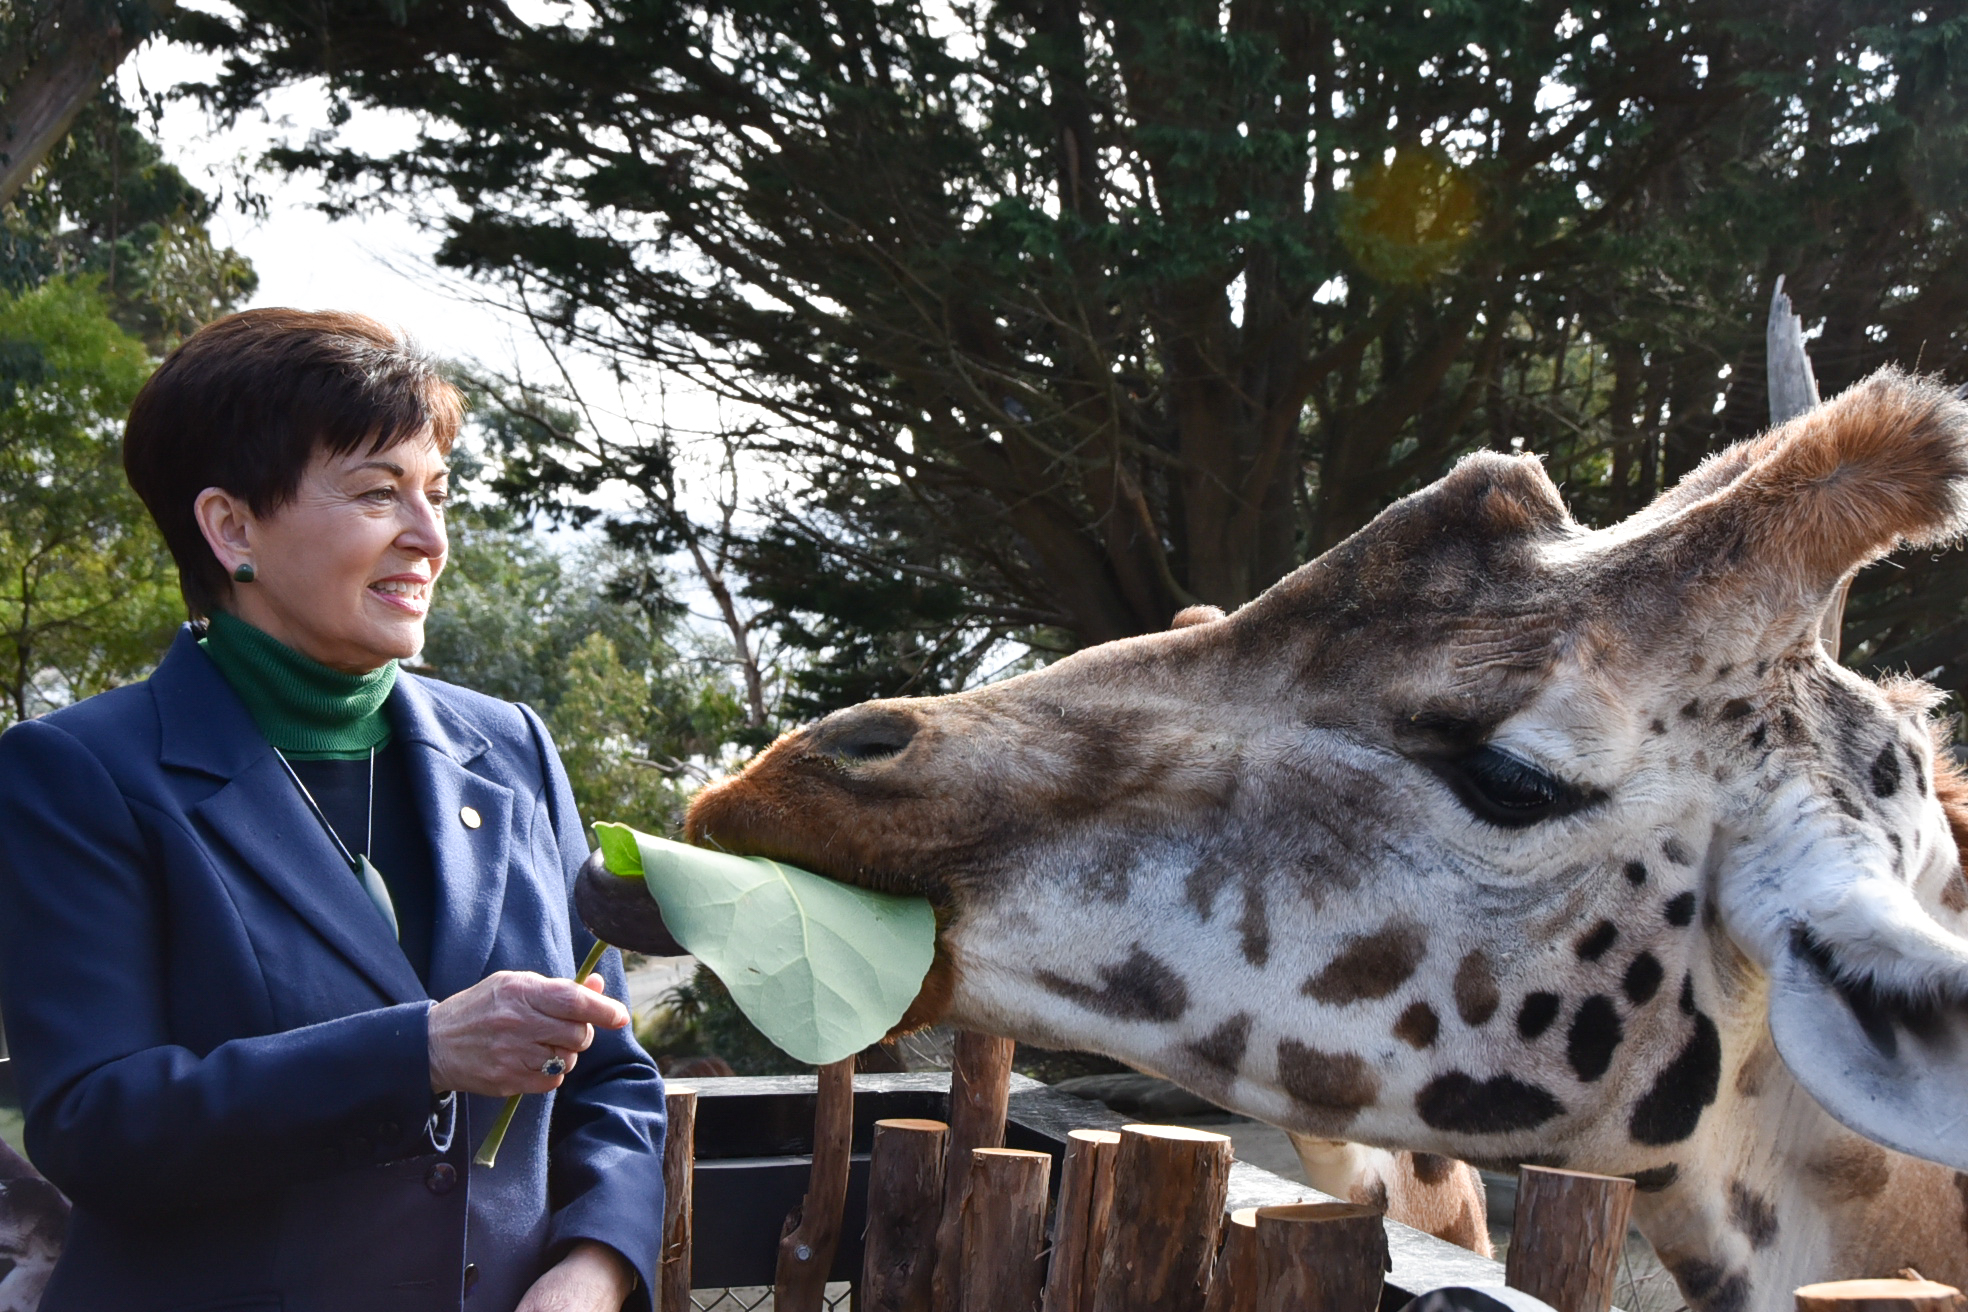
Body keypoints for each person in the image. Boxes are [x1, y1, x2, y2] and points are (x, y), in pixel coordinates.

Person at [0, 309, 666, 1311]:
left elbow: (611, 1075)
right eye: (377, 493)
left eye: (437, 492)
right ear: (232, 528)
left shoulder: (513, 746)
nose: (430, 539)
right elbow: (98, 1124)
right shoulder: (76, 772)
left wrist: (595, 1266)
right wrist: (422, 1051)